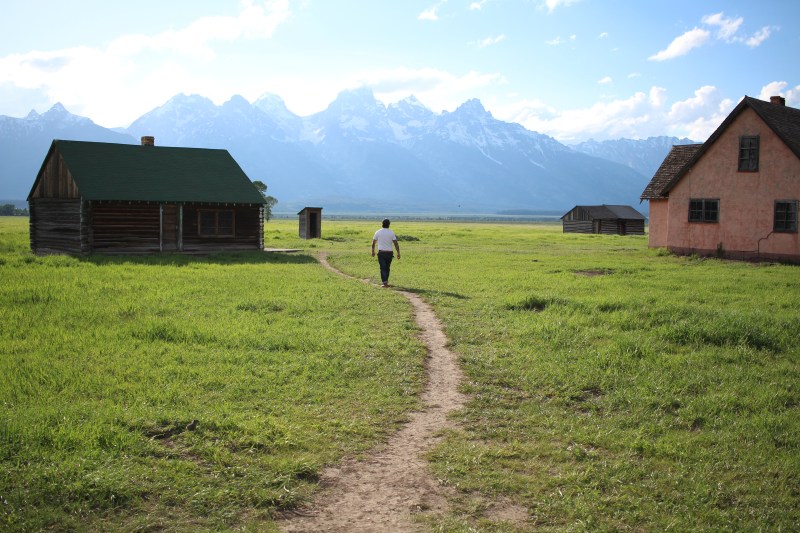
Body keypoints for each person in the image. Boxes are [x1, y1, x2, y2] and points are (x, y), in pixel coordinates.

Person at [371, 218, 401, 287]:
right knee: (387, 267)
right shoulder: (391, 232)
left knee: (383, 268)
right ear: (389, 225)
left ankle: (385, 283)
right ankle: (386, 281)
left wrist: (373, 251)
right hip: (389, 253)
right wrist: (398, 252)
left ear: (382, 224)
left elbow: (373, 242)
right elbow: (396, 243)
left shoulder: (378, 232)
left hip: (381, 253)